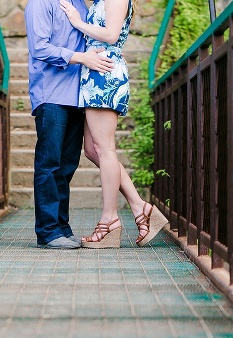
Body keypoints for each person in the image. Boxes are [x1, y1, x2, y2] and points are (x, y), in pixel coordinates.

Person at [60, 0, 169, 248]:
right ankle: (141, 207)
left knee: (105, 148)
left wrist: (77, 22)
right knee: (92, 150)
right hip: (94, 73)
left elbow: (110, 35)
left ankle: (109, 221)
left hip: (105, 73)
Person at [25, 0, 115, 249]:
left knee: (67, 166)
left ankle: (61, 226)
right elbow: (40, 48)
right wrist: (83, 58)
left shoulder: (80, 5)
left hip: (77, 95)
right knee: (49, 164)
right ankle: (48, 232)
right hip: (51, 93)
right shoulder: (40, 3)